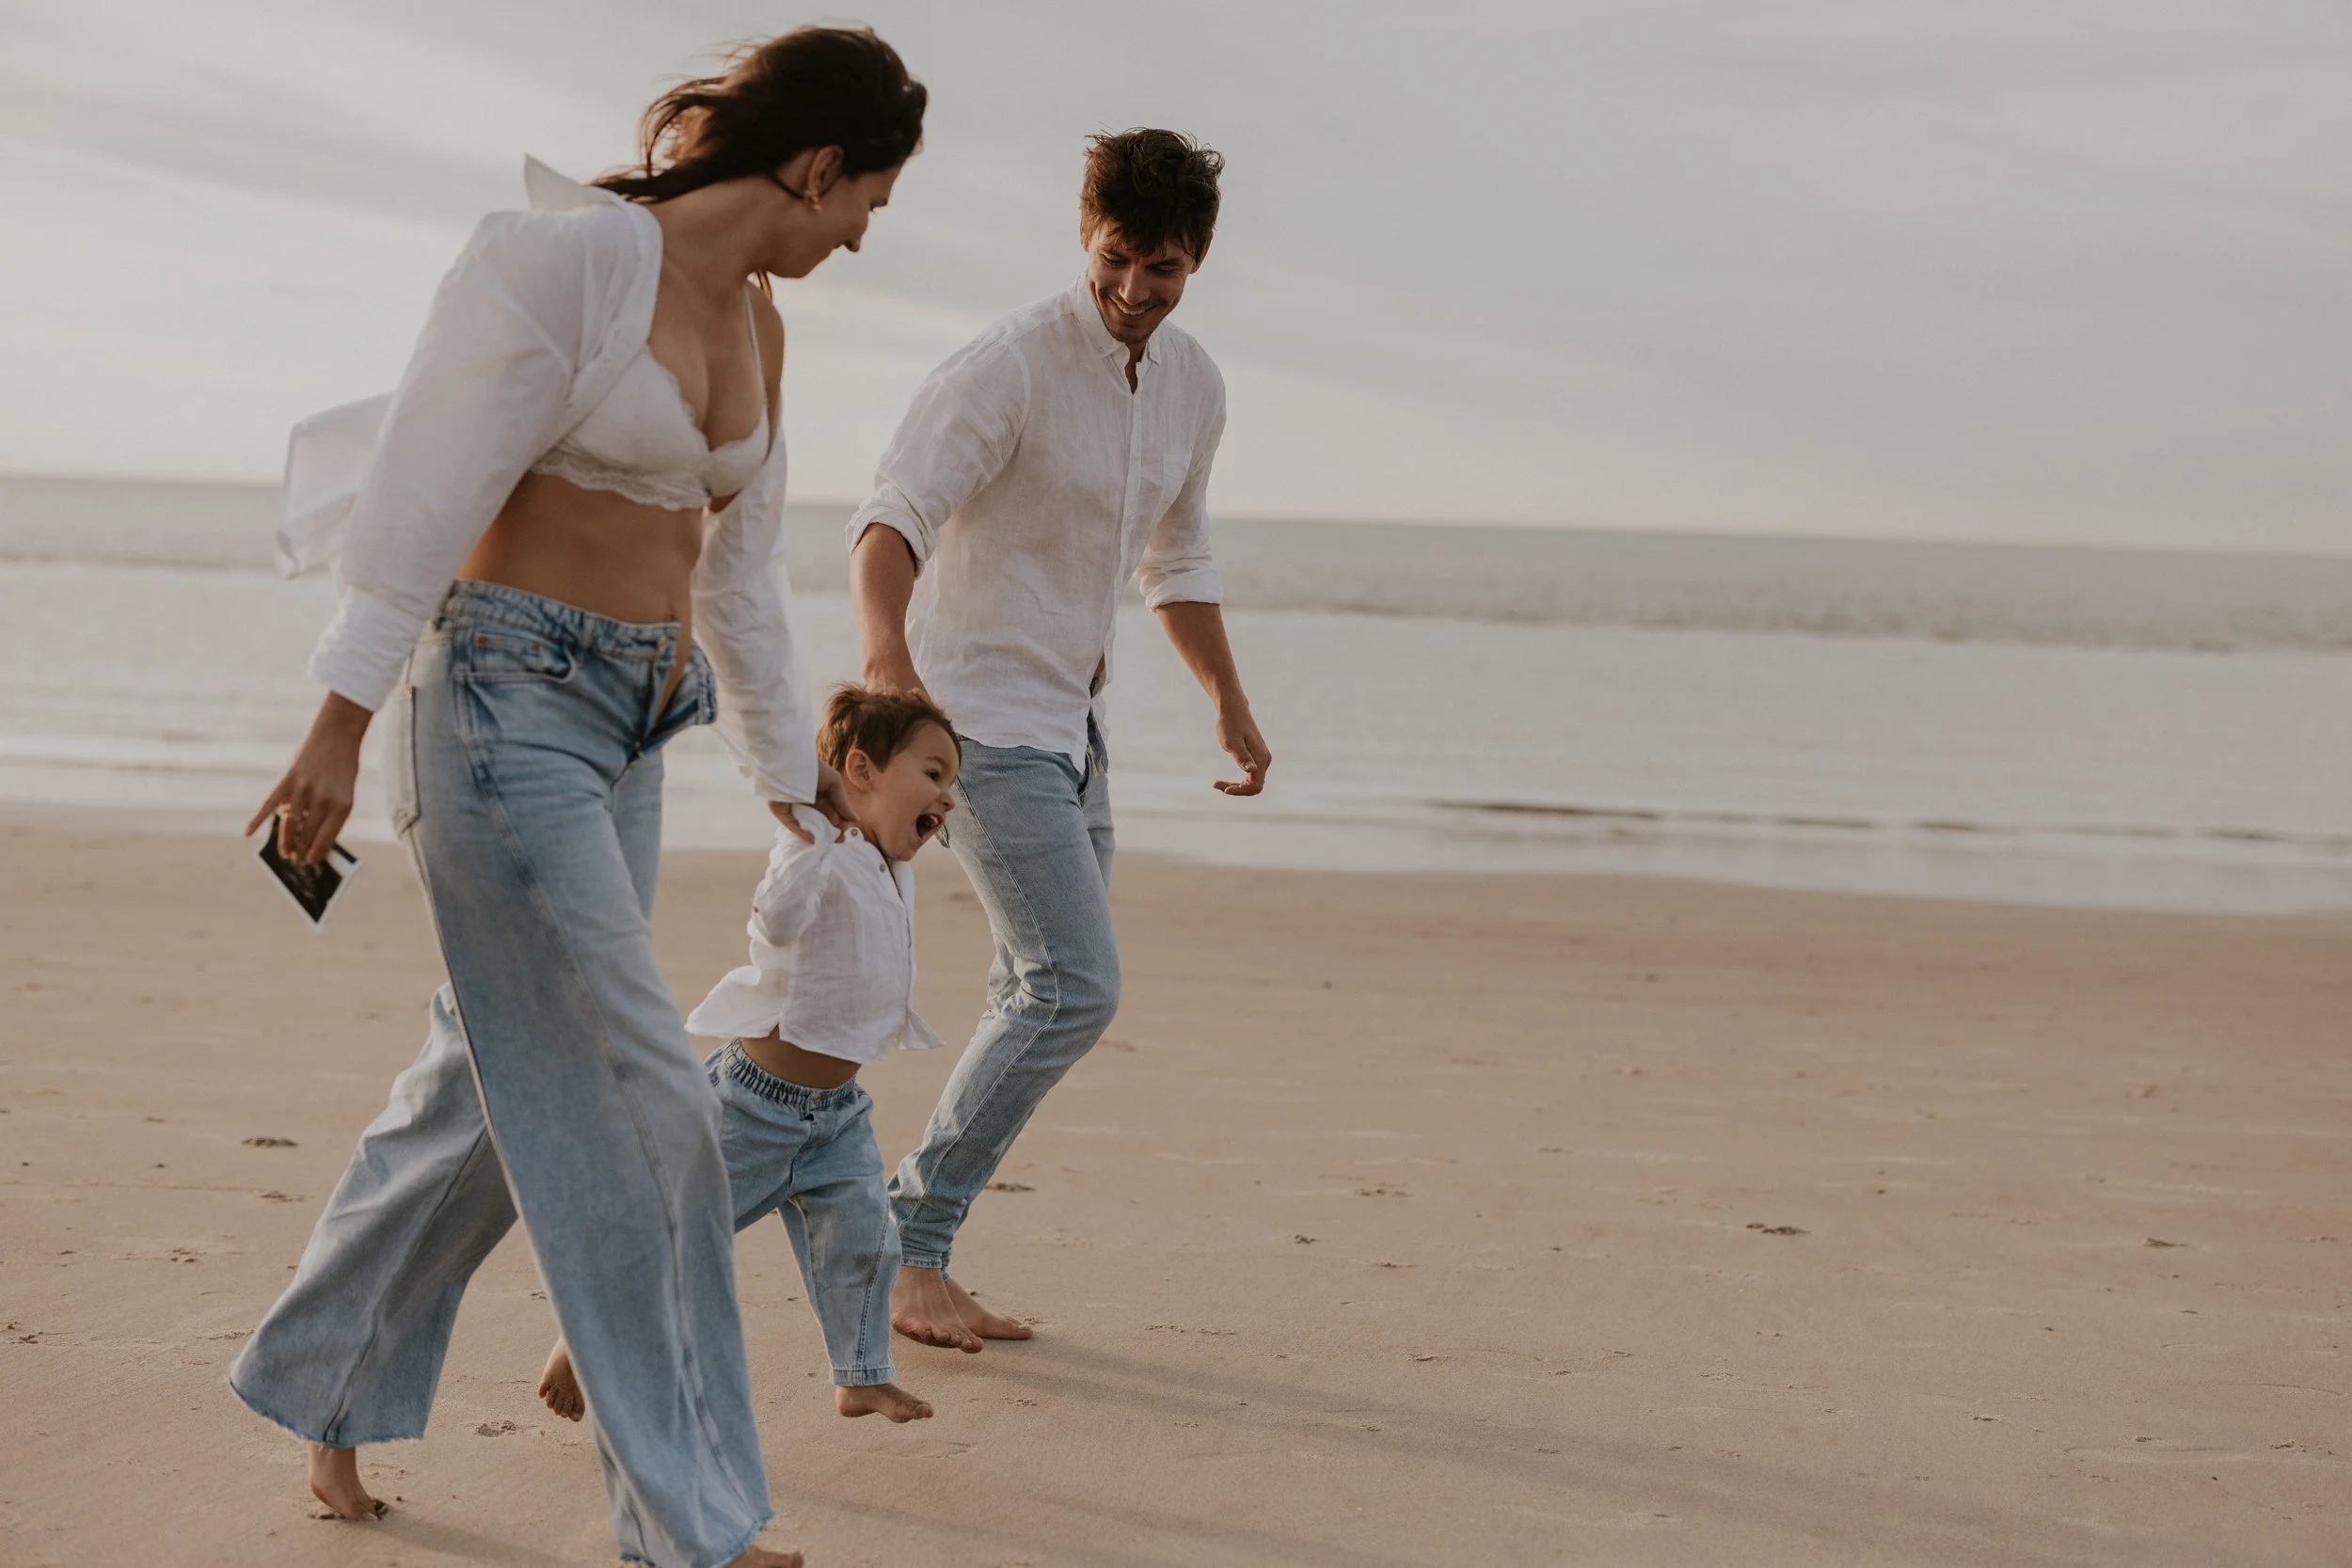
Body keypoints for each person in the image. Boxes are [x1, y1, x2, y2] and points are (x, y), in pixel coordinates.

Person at [227, 28, 924, 1568]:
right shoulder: (564, 261)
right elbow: (419, 485)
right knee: (638, 1093)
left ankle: (325, 1373)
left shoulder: (760, 325)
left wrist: (785, 776)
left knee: (487, 1088)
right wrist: (338, 723)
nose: (866, 231)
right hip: (491, 698)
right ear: (816, 166)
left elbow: (738, 576)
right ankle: (689, 1518)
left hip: (627, 715)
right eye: (866, 197)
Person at [846, 128, 1273, 1352]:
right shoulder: (1009, 366)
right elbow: (893, 513)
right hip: (974, 725)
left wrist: (1227, 699)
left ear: (1197, 264)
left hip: (1074, 728)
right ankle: (904, 1242)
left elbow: (1176, 557)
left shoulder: (1193, 383)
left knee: (1029, 985)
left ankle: (912, 1252)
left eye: (1168, 268)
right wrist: (889, 662)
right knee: (1074, 983)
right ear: (1087, 236)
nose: (1138, 289)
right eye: (1120, 258)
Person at [535, 684, 958, 1430]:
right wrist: (809, 840)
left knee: (866, 1242)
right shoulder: (812, 849)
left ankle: (860, 1375)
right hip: (753, 1104)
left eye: (951, 782)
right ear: (860, 769)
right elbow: (774, 924)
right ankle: (582, 1336)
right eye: (933, 772)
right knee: (672, 1227)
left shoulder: (896, 869)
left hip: (837, 1116)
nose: (946, 797)